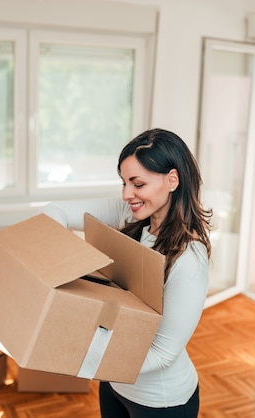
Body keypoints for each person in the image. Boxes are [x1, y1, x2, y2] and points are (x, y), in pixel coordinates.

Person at [42, 128, 212, 418]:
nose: (126, 194)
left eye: (137, 184)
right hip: (114, 385)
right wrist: (60, 256)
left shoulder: (189, 258)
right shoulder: (132, 216)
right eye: (123, 183)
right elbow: (56, 210)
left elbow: (163, 353)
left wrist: (83, 359)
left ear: (172, 179)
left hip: (160, 401)